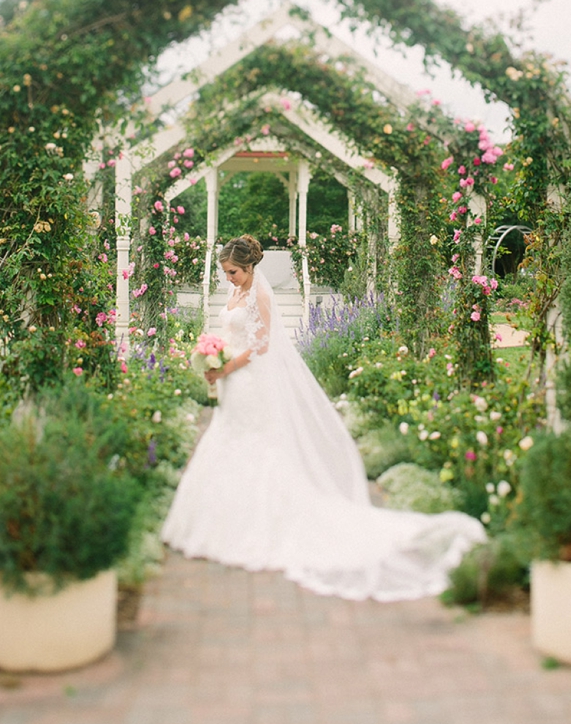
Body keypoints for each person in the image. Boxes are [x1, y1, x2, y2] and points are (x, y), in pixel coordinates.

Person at [161, 234, 485, 601]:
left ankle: (268, 521)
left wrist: (227, 367)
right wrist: (213, 355)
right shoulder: (235, 294)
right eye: (225, 272)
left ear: (249, 267)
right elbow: (232, 332)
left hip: (250, 381)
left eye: (233, 272)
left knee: (258, 448)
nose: (228, 278)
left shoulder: (260, 296)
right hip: (233, 382)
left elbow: (263, 345)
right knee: (227, 441)